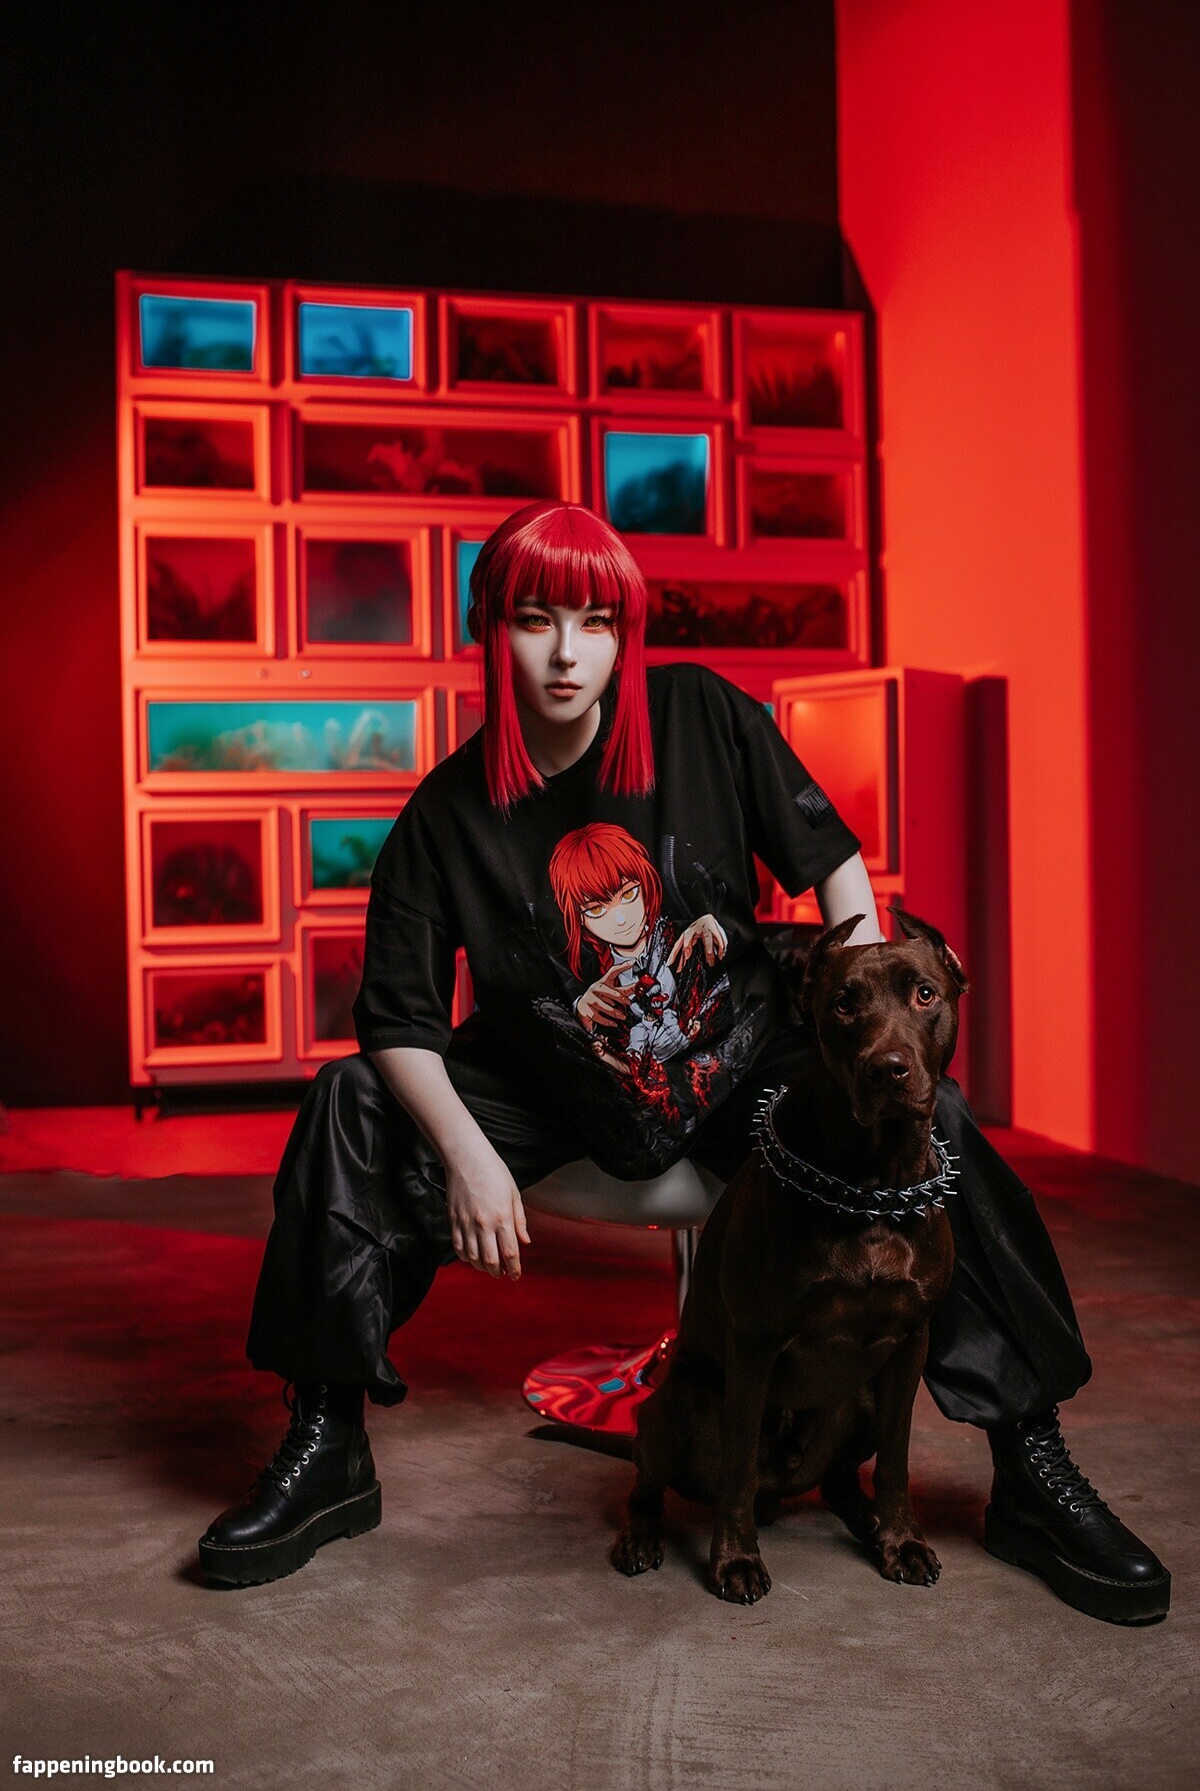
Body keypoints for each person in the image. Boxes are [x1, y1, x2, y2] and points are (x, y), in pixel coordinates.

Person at [198, 501, 1169, 1623]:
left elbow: (834, 867)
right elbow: (399, 1021)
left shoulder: (701, 714)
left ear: (627, 633)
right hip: (548, 1087)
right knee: (349, 1103)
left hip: (744, 1070)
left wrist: (861, 1029)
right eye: (535, 620)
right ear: (490, 630)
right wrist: (467, 1156)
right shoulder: (445, 816)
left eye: (596, 622)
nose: (567, 653)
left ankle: (1031, 1463)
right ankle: (327, 1444)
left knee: (932, 1120)